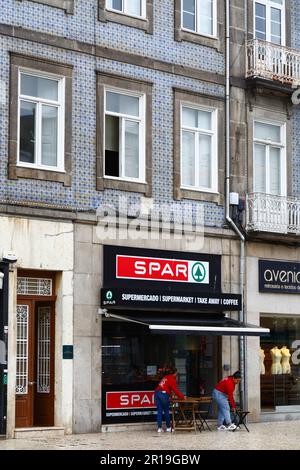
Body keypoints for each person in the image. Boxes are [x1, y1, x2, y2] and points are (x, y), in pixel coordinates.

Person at [154, 366, 185, 433]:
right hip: (163, 395)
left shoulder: (166, 377)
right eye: (176, 374)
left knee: (159, 411)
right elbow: (175, 390)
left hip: (157, 393)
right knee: (166, 411)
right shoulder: (172, 379)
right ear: (175, 373)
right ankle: (168, 427)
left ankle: (159, 428)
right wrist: (182, 397)